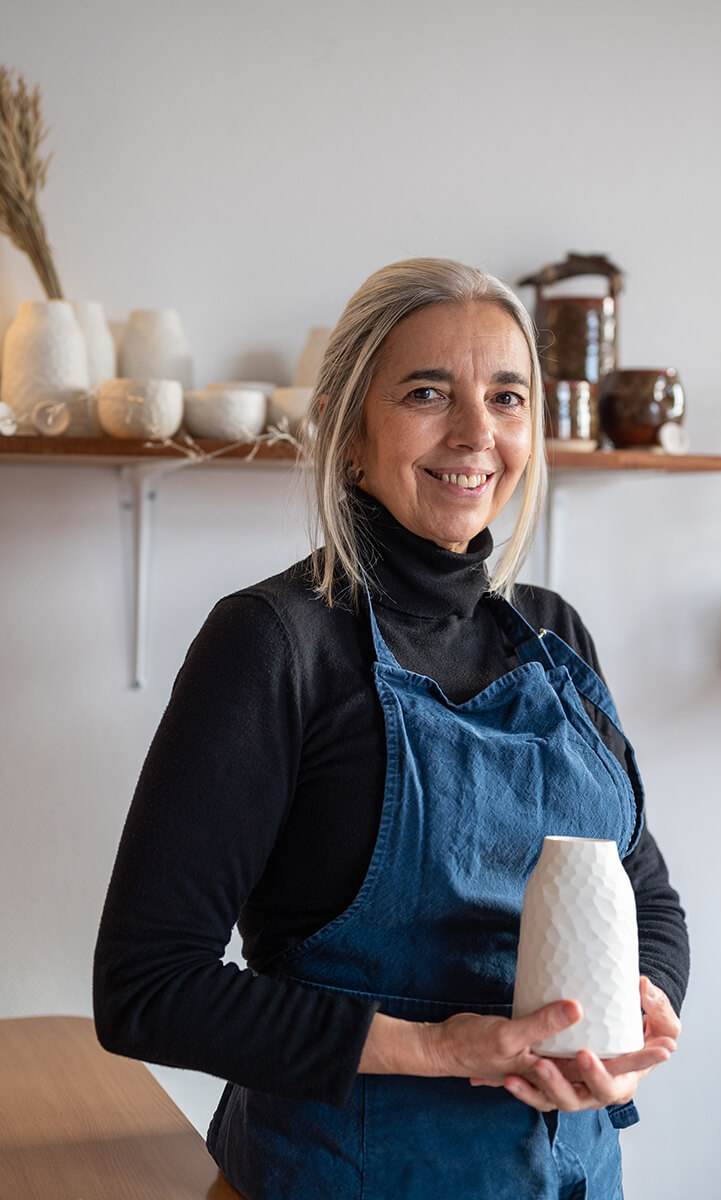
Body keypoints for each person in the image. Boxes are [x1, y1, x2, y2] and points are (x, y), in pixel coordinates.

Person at [94, 258, 689, 1200]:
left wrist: (637, 1013)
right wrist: (439, 1049)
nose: (476, 434)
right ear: (346, 431)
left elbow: (643, 892)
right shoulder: (274, 643)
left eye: (506, 396)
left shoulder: (554, 633)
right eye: (426, 393)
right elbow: (147, 989)